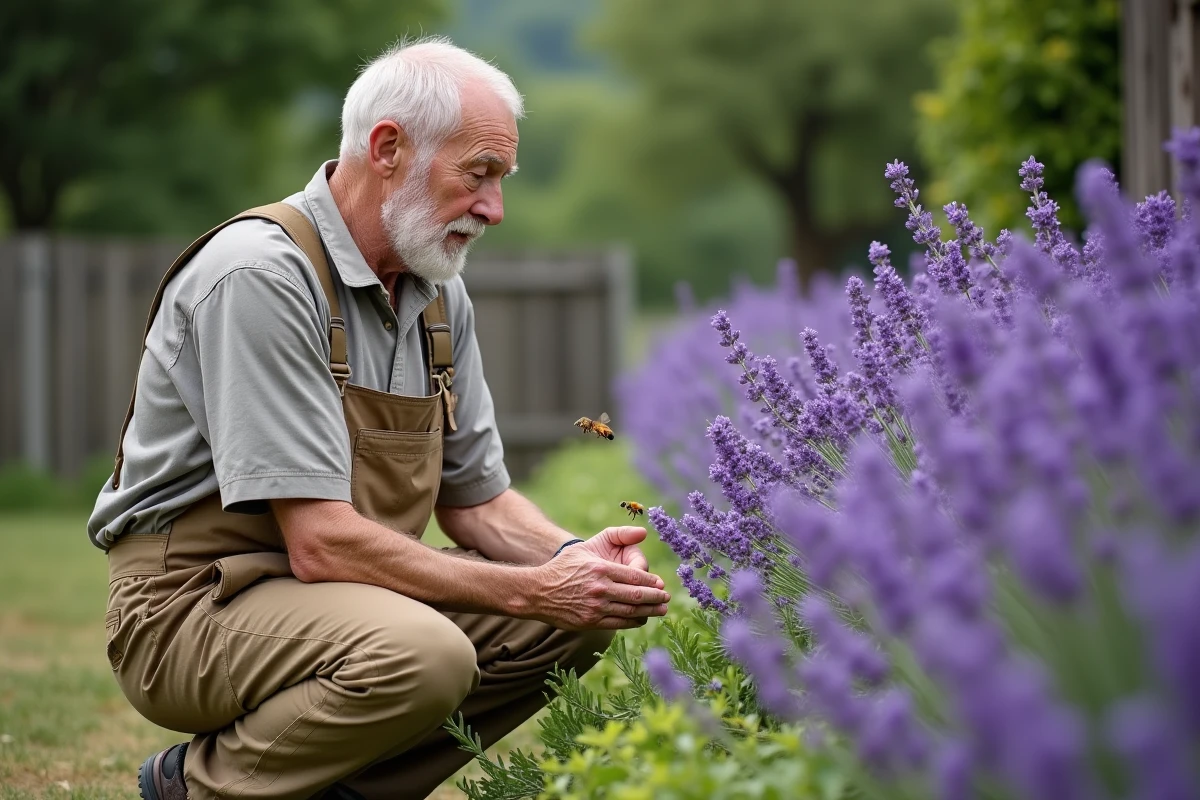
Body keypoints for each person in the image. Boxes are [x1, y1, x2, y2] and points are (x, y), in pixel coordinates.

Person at [88, 36, 671, 800]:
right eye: (479, 173)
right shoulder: (261, 276)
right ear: (388, 147)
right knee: (426, 654)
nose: (495, 208)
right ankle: (196, 788)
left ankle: (331, 792)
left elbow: (477, 502)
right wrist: (534, 588)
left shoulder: (435, 292)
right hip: (188, 607)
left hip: (343, 598)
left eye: (502, 179)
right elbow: (322, 542)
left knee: (575, 620)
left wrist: (572, 562)